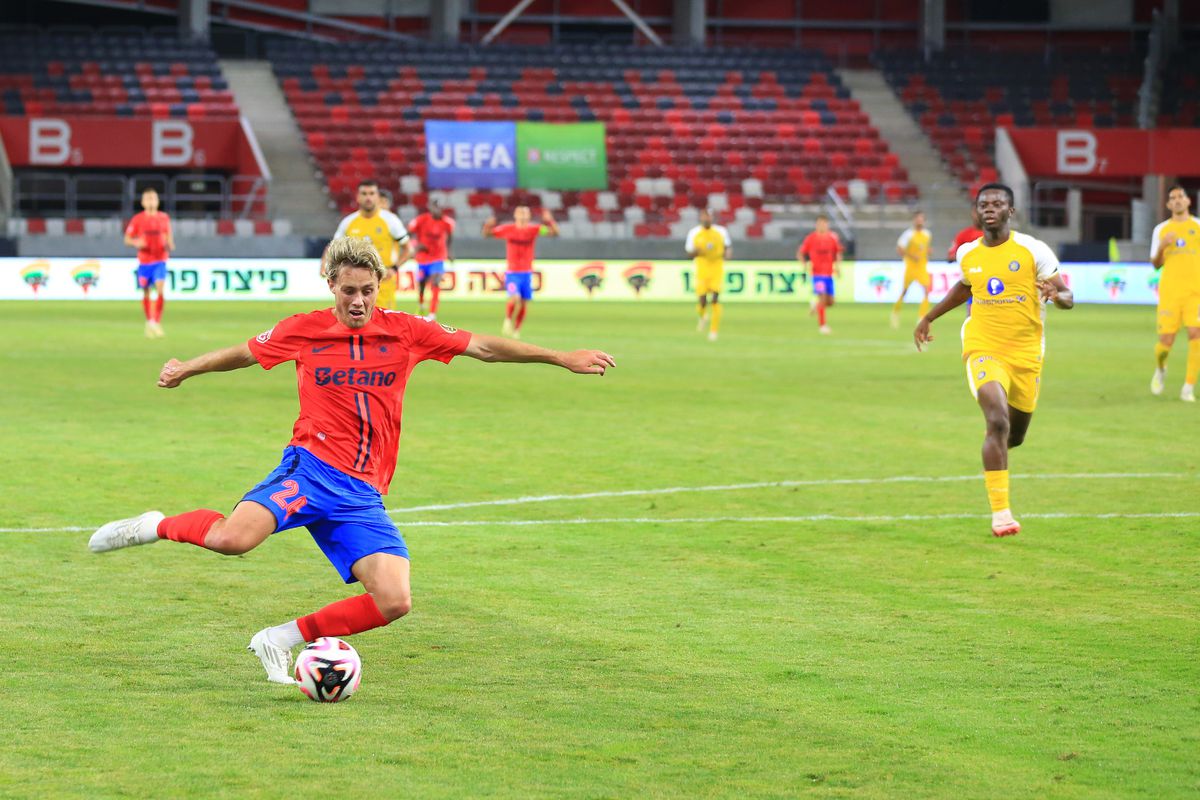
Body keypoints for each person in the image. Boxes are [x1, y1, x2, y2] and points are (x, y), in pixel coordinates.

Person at [88, 236, 615, 685]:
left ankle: (278, 639)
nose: (358, 301)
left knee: (394, 600)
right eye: (348, 291)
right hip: (311, 469)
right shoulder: (304, 329)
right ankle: (156, 525)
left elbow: (485, 348)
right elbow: (244, 354)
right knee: (232, 539)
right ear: (331, 286)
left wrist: (560, 357)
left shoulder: (408, 331)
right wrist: (186, 368)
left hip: (362, 493)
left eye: (367, 290)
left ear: (378, 288)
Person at [914, 183, 1073, 537]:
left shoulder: (1033, 250)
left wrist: (1057, 295)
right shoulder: (968, 253)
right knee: (996, 420)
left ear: (1010, 211)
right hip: (982, 344)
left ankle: (999, 454)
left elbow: (1066, 294)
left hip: (1027, 353)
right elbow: (967, 285)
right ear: (977, 212)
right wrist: (930, 316)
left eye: (997, 203)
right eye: (983, 204)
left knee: (1013, 437)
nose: (990, 208)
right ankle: (1001, 514)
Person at [1149, 185, 1200, 402]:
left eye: (1181, 196)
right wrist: (1162, 246)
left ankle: (1188, 387)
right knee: (1165, 342)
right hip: (1170, 293)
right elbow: (1156, 265)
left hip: (1195, 294)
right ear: (1168, 204)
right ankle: (1161, 369)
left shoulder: (1198, 226)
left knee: (1196, 336)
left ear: (1188, 201)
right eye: (1173, 198)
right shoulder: (1161, 230)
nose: (1177, 200)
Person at [330, 180, 410, 312]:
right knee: (356, 323)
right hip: (354, 284)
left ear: (378, 197)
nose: (368, 197)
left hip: (382, 283)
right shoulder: (348, 222)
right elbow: (334, 249)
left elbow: (408, 249)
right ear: (358, 196)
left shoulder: (390, 220)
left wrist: (394, 268)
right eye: (364, 193)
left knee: (384, 325)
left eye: (372, 193)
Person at [483, 205, 559, 338]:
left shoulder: (534, 229)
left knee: (523, 303)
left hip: (527, 273)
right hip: (512, 273)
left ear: (529, 216)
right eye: (521, 213)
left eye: (525, 214)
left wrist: (550, 220)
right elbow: (487, 234)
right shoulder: (507, 229)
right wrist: (487, 225)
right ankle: (507, 319)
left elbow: (554, 233)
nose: (523, 216)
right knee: (515, 298)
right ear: (515, 215)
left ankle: (517, 329)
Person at [124, 187, 175, 338]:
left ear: (158, 201)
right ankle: (149, 320)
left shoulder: (164, 218)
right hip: (145, 262)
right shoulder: (138, 219)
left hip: (160, 260)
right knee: (146, 291)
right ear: (143, 202)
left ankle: (156, 322)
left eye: (154, 198)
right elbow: (127, 239)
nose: (151, 201)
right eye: (148, 198)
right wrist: (136, 243)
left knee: (160, 289)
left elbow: (168, 234)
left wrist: (170, 244)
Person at [685, 209, 732, 342]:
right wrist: (696, 252)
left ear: (712, 218)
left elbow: (727, 246)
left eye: (709, 216)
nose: (707, 219)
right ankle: (703, 316)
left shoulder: (721, 232)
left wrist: (728, 255)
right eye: (704, 216)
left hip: (716, 268)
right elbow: (689, 254)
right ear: (701, 218)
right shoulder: (694, 233)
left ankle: (713, 331)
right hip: (701, 269)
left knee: (715, 299)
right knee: (702, 300)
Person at [408, 200, 456, 321]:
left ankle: (432, 313)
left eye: (440, 208)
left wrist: (448, 251)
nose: (438, 211)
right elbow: (407, 232)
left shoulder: (447, 223)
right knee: (422, 285)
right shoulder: (421, 220)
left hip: (438, 258)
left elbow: (450, 237)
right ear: (430, 208)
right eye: (435, 208)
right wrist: (415, 245)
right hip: (423, 259)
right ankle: (421, 303)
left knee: (436, 282)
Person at [797, 214, 843, 335]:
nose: (822, 225)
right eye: (820, 223)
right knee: (822, 297)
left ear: (827, 224)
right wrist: (804, 264)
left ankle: (815, 305)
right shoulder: (811, 238)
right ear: (816, 225)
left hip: (829, 274)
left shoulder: (832, 238)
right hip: (817, 274)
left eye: (824, 223)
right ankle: (822, 325)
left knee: (830, 302)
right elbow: (801, 253)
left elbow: (837, 253)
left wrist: (838, 267)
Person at [891, 210, 933, 329]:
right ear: (914, 220)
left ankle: (921, 317)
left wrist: (928, 251)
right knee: (904, 292)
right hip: (910, 268)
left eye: (921, 218)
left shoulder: (927, 234)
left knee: (926, 291)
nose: (919, 221)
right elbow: (899, 249)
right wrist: (911, 256)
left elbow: (925, 248)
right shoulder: (908, 234)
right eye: (917, 218)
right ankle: (895, 313)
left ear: (924, 221)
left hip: (922, 268)